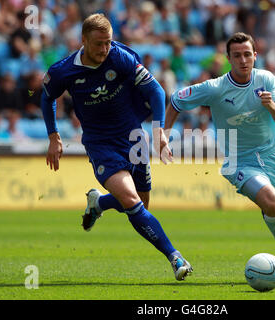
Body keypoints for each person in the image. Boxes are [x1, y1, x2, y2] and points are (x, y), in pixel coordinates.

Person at [40, 13, 192, 281]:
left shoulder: (120, 57)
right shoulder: (63, 71)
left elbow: (156, 91)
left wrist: (158, 130)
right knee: (133, 202)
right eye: (98, 44)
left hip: (134, 138)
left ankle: (98, 203)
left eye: (108, 42)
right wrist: (54, 135)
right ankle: (175, 256)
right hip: (101, 145)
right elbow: (46, 98)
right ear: (83, 41)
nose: (104, 50)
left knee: (141, 202)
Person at [164, 32, 275, 282]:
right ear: (228, 58)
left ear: (255, 56)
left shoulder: (267, 80)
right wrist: (163, 134)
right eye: (237, 55)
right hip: (239, 160)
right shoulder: (216, 87)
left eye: (247, 54)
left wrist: (271, 105)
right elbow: (176, 100)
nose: (243, 60)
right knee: (271, 202)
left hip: (273, 155)